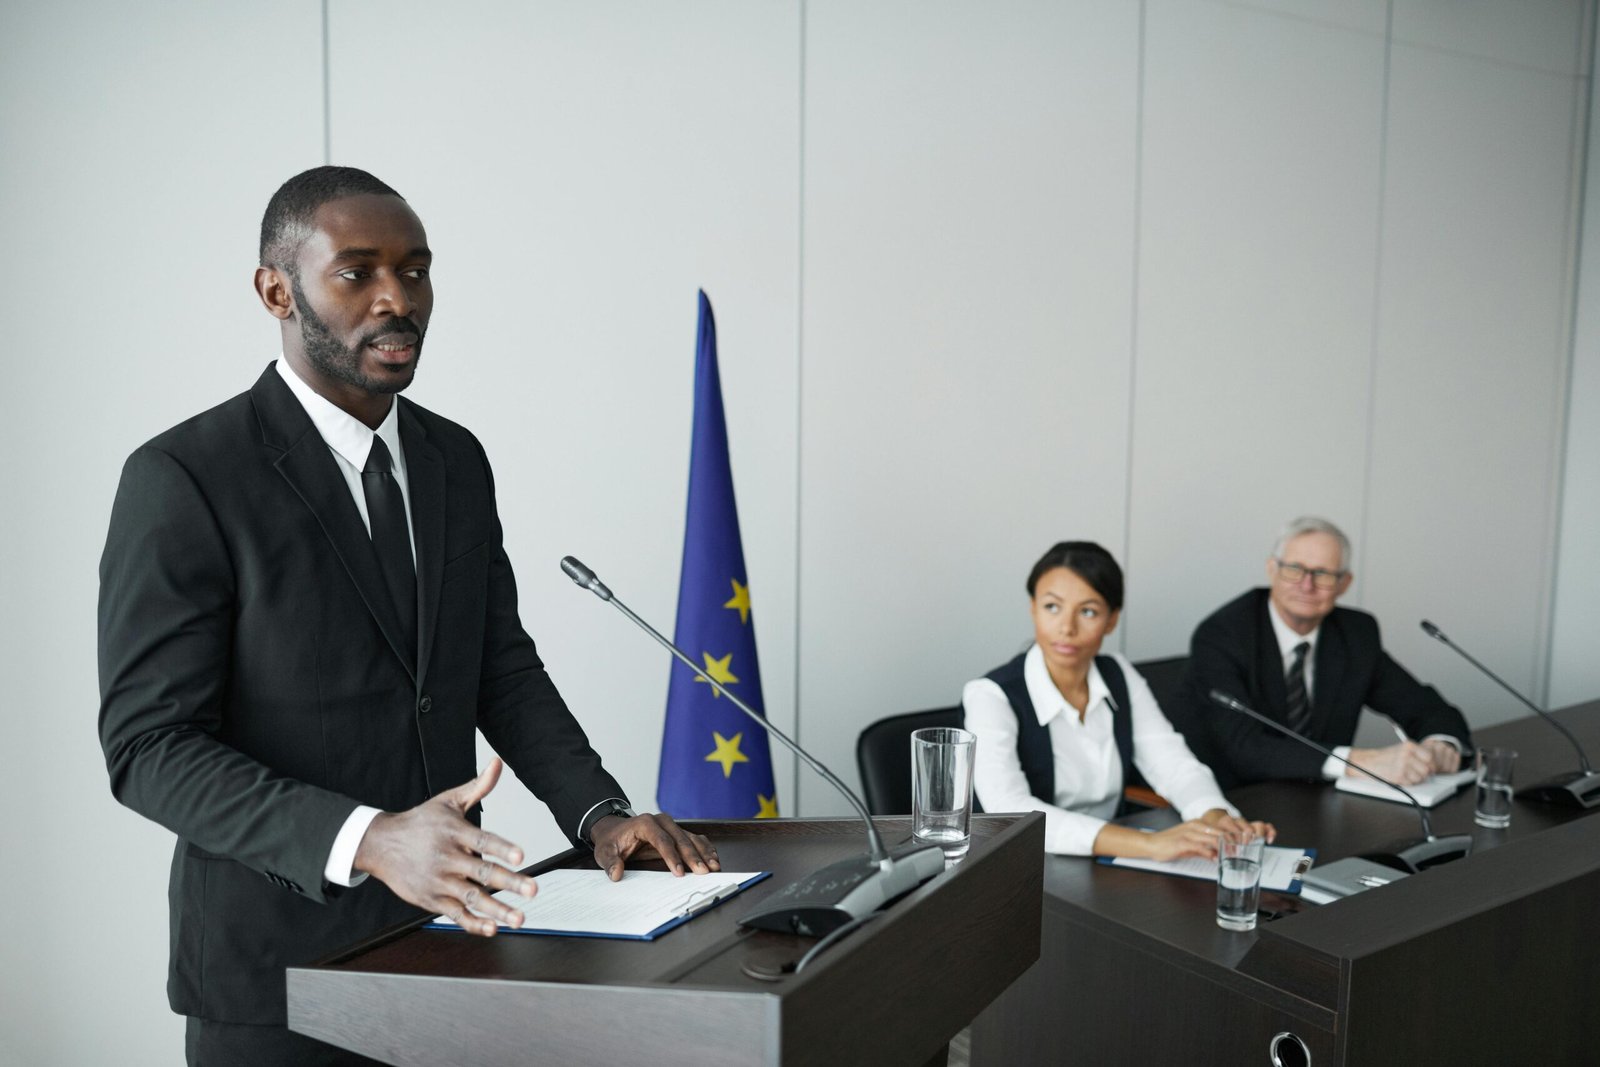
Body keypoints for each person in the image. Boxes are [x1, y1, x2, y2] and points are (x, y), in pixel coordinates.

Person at [97, 166, 719, 1066]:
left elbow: (497, 664)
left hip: (455, 948)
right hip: (278, 978)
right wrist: (368, 838)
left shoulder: (452, 458)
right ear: (277, 289)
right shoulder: (184, 478)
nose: (399, 299)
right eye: (357, 272)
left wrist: (598, 814)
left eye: (416, 270)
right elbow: (148, 748)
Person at [963, 541, 1273, 859]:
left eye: (1088, 611)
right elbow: (1011, 810)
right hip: (1024, 863)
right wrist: (1150, 845)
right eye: (1052, 607)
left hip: (1111, 862)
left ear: (1111, 620)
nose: (1067, 628)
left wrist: (1216, 818)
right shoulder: (991, 695)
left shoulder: (1119, 675)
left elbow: (1172, 764)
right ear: (1033, 608)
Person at [1172, 516, 1473, 791]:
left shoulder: (1355, 634)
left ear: (1345, 584)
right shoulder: (1223, 634)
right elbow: (1245, 748)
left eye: (1323, 574)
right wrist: (1360, 762)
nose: (1307, 585)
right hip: (1237, 801)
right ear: (1271, 569)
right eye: (1294, 570)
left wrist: (1440, 744)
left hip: (1323, 801)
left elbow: (1422, 706)